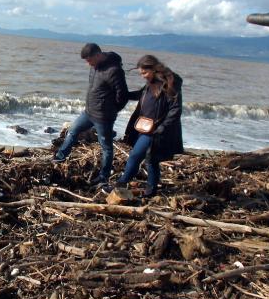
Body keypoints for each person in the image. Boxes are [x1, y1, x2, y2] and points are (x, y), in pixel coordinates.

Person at [106, 54, 183, 197]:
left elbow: (176, 109)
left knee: (136, 156)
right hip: (146, 127)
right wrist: (121, 94)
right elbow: (139, 95)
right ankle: (151, 190)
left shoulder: (170, 83)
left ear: (154, 68)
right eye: (141, 73)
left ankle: (121, 185)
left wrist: (162, 128)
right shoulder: (150, 82)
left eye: (145, 72)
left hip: (158, 130)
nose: (143, 76)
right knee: (151, 160)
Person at [53, 43, 128, 186]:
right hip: (88, 112)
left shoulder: (114, 71)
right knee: (72, 130)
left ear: (98, 55)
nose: (88, 64)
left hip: (103, 117)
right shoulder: (95, 67)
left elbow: (123, 96)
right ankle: (60, 157)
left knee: (106, 147)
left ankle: (103, 177)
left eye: (89, 60)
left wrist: (111, 111)